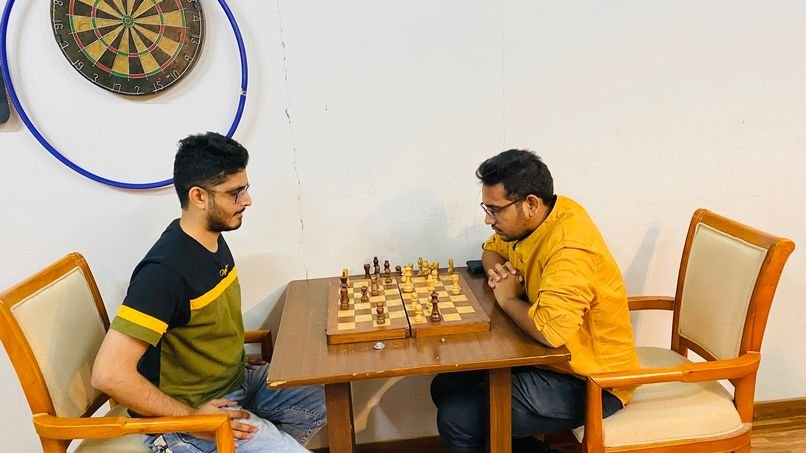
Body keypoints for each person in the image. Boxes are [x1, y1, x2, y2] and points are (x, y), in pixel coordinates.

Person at [92, 132, 326, 453]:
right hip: (184, 419)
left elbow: (203, 328)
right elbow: (108, 374)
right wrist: (191, 419)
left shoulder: (211, 239)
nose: (247, 200)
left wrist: (232, 359)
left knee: (325, 395)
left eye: (245, 188)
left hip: (236, 384)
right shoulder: (163, 273)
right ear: (199, 197)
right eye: (235, 193)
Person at [431, 149, 639, 453]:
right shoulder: (537, 220)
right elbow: (491, 251)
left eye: (495, 210)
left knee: (457, 419)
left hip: (593, 382)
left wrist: (507, 299)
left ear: (530, 204)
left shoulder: (569, 247)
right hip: (548, 361)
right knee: (445, 386)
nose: (488, 219)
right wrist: (500, 275)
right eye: (486, 208)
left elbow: (549, 332)